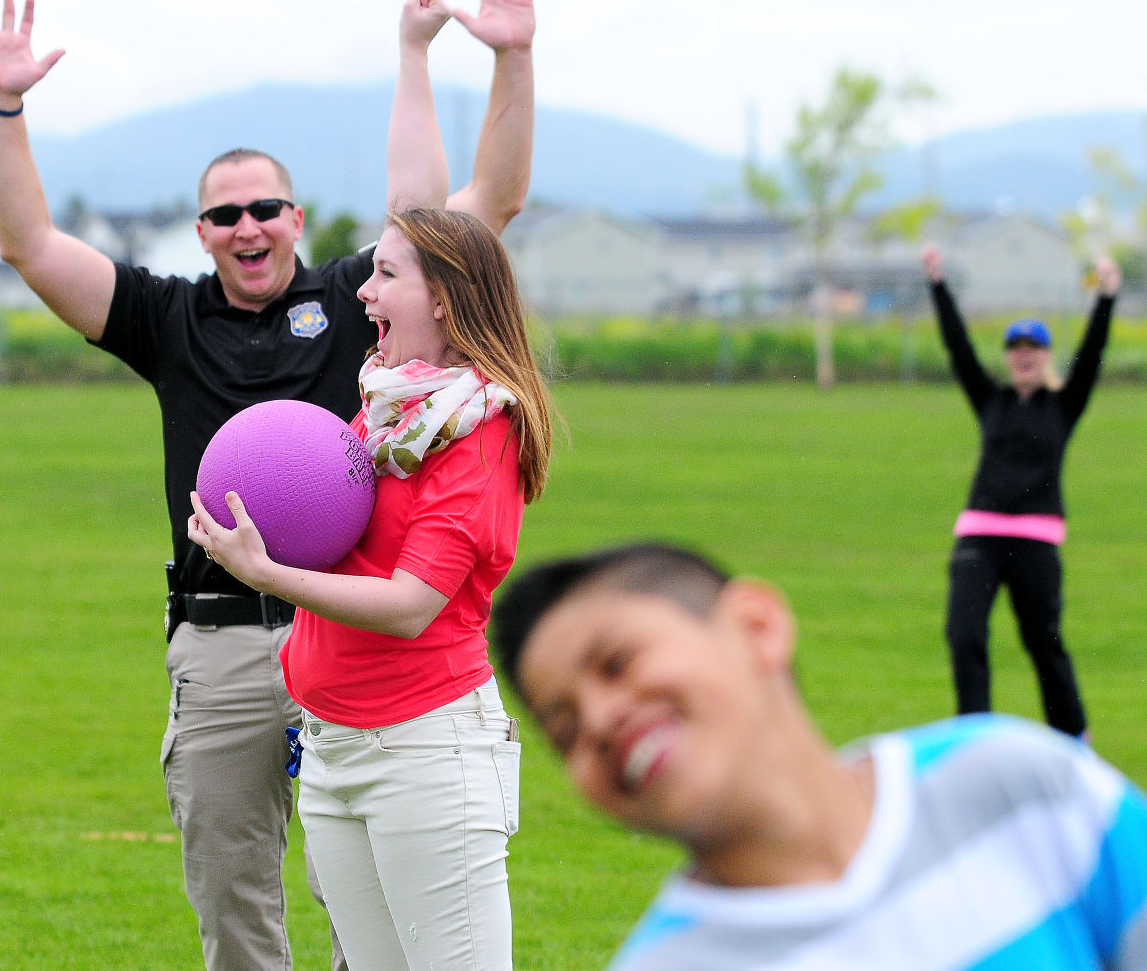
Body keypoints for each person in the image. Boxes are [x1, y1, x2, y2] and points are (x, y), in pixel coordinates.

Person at [0, 0, 537, 970]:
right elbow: (27, 245)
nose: (248, 225)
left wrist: (471, 59)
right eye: (225, 213)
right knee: (239, 911)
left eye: (265, 207)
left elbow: (462, 210)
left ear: (298, 220)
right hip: (226, 642)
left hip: (351, 635)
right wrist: (4, 110)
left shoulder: (372, 330)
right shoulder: (166, 317)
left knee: (366, 921)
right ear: (202, 230)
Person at [490, 541, 1147, 970]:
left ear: (756, 627)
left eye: (618, 662)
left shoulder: (1018, 785)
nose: (602, 721)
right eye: (566, 729)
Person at [188, 204, 555, 970]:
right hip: (331, 748)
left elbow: (411, 605)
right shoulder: (391, 410)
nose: (364, 292)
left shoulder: (481, 431)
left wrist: (265, 572)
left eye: (386, 275)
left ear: (445, 299)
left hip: (423, 754)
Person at [922, 245, 1120, 739]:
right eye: (1016, 347)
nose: (1024, 354)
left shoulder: (1063, 404)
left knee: (1042, 639)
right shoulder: (991, 401)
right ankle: (975, 736)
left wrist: (1107, 298)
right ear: (1009, 356)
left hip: (1035, 538)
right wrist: (939, 285)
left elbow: (1094, 351)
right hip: (980, 534)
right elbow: (958, 348)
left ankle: (1073, 736)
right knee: (963, 633)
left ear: (1045, 355)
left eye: (1033, 347)